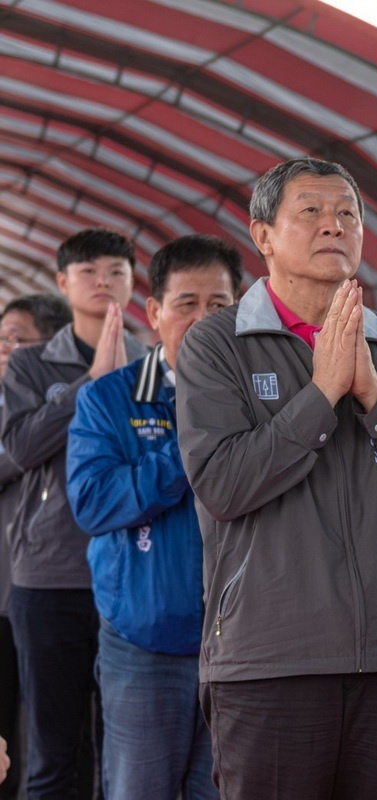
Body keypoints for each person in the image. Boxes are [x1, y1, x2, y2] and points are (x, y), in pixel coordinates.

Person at [175, 157, 377, 799]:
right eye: (310, 211)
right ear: (263, 236)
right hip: (271, 656)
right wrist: (321, 393)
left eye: (348, 213)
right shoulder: (218, 344)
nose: (333, 226)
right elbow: (226, 484)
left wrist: (376, 397)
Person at [66, 235, 242, 799]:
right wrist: (190, 446)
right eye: (187, 303)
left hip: (240, 648)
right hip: (143, 642)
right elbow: (93, 502)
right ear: (156, 312)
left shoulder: (263, 400)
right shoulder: (109, 400)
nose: (203, 318)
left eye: (219, 305)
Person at [3, 228, 146, 799]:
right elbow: (20, 447)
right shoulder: (32, 365)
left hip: (132, 575)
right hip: (49, 578)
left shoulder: (153, 364)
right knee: (55, 752)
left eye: (116, 270)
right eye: (88, 271)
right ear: (63, 283)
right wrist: (90, 385)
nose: (103, 281)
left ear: (136, 283)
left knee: (128, 750)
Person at [0, 294, 72, 800]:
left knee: (53, 728)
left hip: (37, 581)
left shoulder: (63, 399)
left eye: (18, 339)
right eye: (2, 338)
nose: (7, 349)